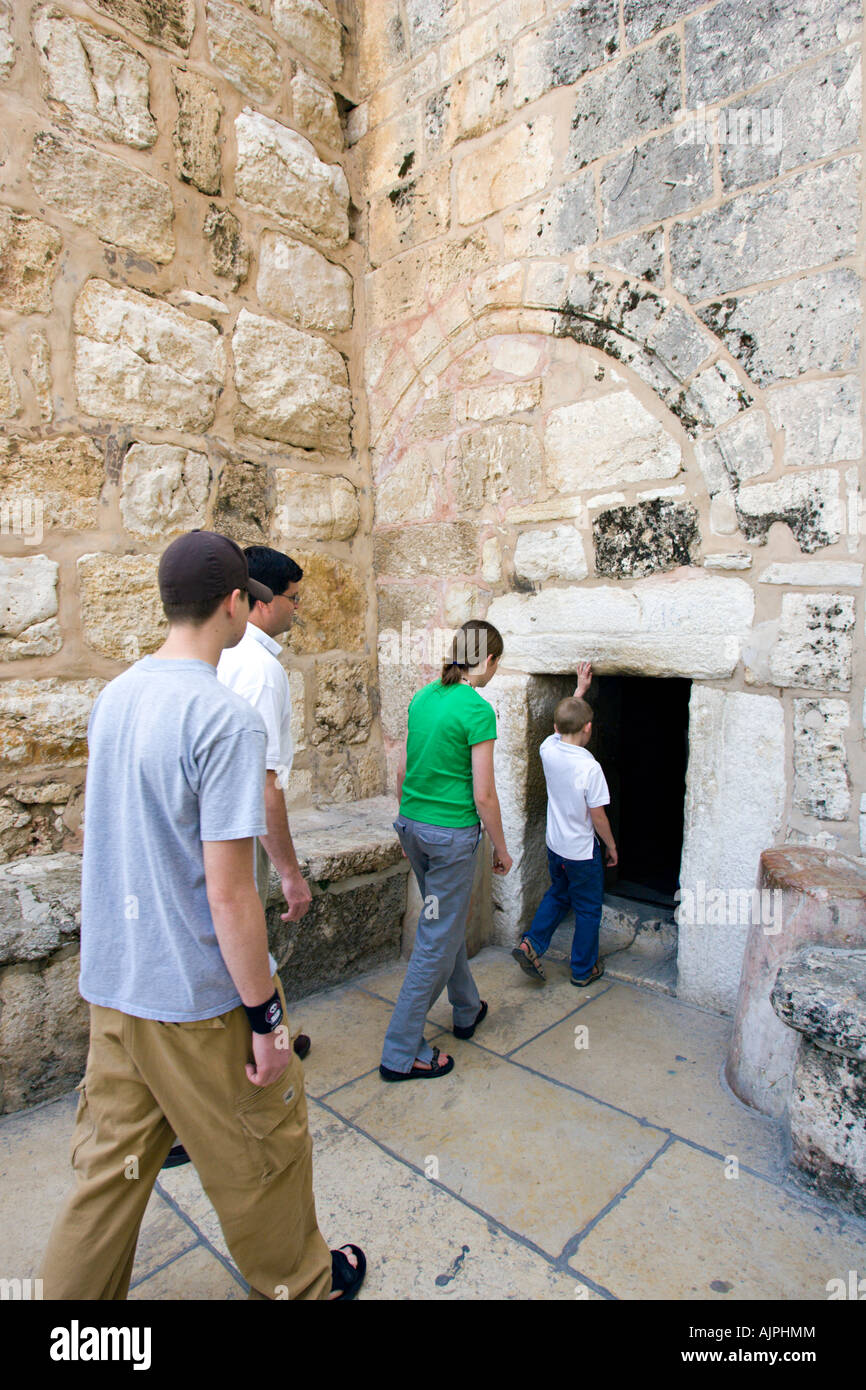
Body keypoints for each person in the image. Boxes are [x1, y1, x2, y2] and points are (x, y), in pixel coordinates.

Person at [40, 530, 364, 1301]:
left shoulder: (116, 696)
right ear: (234, 602)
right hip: (195, 996)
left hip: (116, 986)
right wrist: (263, 1016)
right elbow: (229, 891)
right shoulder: (225, 719)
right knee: (265, 1150)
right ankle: (302, 1283)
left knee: (105, 1180)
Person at [380, 620, 512, 1082]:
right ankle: (401, 1050)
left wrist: (408, 825)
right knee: (435, 939)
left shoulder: (422, 697)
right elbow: (484, 796)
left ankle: (466, 1008)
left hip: (412, 826)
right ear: (489, 660)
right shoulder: (478, 710)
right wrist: (501, 846)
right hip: (451, 836)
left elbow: (403, 770)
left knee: (443, 921)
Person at [217, 545, 312, 1062]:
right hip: (240, 830)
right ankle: (261, 1048)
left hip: (220, 826)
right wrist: (291, 874)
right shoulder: (258, 669)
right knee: (246, 941)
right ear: (262, 600)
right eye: (293, 599)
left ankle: (269, 1035)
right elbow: (262, 781)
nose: (297, 608)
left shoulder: (226, 655)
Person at [512, 666, 617, 988]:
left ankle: (531, 944)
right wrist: (611, 846)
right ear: (589, 728)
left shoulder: (548, 748)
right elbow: (597, 815)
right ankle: (583, 970)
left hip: (555, 846)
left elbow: (563, 724)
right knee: (587, 908)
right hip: (582, 852)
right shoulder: (590, 767)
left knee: (558, 893)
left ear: (556, 727)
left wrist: (578, 691)